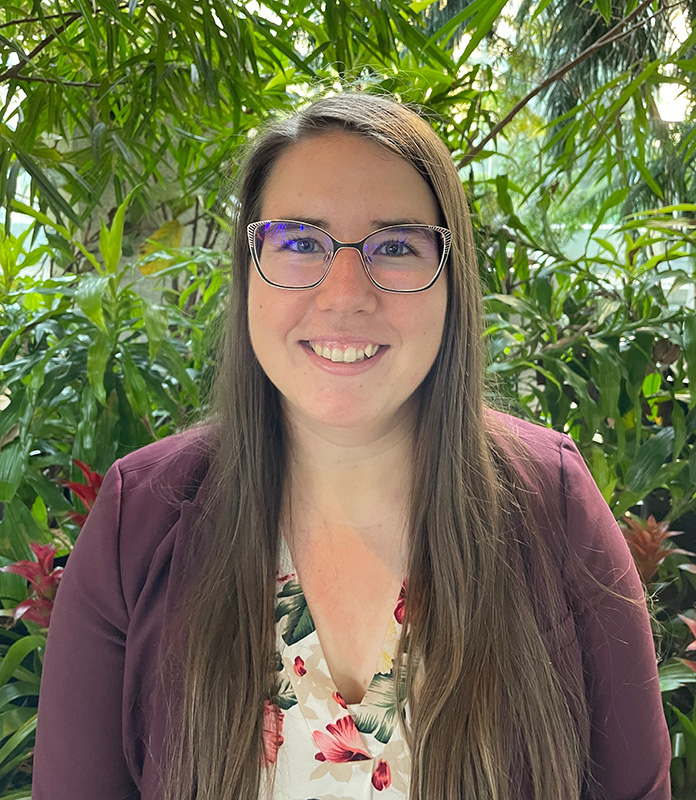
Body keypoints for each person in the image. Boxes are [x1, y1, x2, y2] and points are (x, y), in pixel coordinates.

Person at [32, 93, 671, 800]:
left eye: (395, 246)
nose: (344, 294)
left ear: (451, 278)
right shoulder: (138, 520)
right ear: (249, 271)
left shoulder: (552, 505)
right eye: (300, 242)